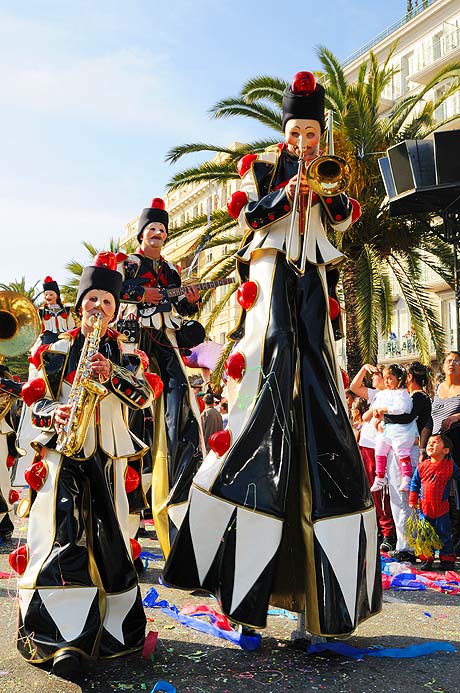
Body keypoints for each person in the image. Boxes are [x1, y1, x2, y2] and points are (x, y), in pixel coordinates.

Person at [164, 71, 381, 638]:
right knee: (266, 395)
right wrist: (288, 193)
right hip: (273, 292)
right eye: (297, 132)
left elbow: (343, 220)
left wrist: (324, 192)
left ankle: (322, 605)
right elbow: (250, 218)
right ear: (286, 131)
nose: (306, 142)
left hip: (312, 294)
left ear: (320, 133)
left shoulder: (330, 174)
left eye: (313, 133)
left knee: (319, 403)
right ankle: (241, 594)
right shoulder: (261, 169)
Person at [10, 253, 155, 678]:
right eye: (92, 299)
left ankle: (111, 632)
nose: (99, 308)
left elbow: (145, 396)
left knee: (109, 542)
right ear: (80, 305)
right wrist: (51, 411)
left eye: (107, 302)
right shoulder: (51, 350)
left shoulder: (126, 353)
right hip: (62, 453)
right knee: (62, 538)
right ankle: (62, 639)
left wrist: (112, 373)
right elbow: (32, 401)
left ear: (116, 309)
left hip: (106, 456)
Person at [117, 198, 204, 559]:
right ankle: (128, 520)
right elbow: (113, 291)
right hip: (136, 343)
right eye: (152, 229)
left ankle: (177, 472)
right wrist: (140, 293)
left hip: (166, 342)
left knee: (180, 401)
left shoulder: (170, 270)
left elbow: (180, 307)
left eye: (163, 231)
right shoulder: (129, 264)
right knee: (132, 414)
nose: (158, 234)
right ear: (141, 234)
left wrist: (192, 301)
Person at [383, 361, 432, 563]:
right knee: (398, 498)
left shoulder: (418, 397)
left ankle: (408, 547)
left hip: (408, 450)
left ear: (409, 377)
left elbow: (407, 418)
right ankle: (404, 544)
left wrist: (383, 415)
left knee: (405, 499)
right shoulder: (411, 397)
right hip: (399, 449)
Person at [350, 364, 397, 552]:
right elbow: (354, 387)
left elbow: (370, 416)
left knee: (381, 492)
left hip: (380, 448)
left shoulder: (392, 396)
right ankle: (377, 527)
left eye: (377, 375)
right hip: (365, 446)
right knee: (369, 491)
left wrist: (371, 414)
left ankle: (388, 532)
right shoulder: (376, 394)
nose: (373, 378)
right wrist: (363, 368)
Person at [425, 352, 460, 554]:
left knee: (456, 490)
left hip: (456, 445)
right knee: (440, 493)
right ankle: (444, 540)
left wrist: (456, 416)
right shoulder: (439, 389)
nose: (451, 364)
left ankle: (456, 540)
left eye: (456, 361)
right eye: (448, 361)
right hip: (437, 448)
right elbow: (430, 419)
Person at [409, 433, 460, 570]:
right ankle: (427, 558)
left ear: (446, 450)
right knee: (425, 535)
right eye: (429, 442)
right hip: (425, 508)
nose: (430, 444)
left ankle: (447, 558)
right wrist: (413, 499)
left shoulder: (450, 465)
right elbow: (415, 483)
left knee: (445, 534)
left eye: (435, 442)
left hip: (442, 508)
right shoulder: (422, 466)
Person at [369, 364, 418, 494]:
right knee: (379, 449)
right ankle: (380, 476)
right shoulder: (383, 393)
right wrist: (377, 415)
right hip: (386, 430)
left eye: (390, 378)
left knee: (402, 451)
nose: (386, 381)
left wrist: (384, 410)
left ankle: (407, 477)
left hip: (401, 430)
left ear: (400, 378)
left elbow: (402, 409)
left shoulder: (403, 394)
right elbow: (376, 408)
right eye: (385, 378)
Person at [38, 275, 76, 341]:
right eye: (46, 295)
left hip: (64, 337)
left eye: (51, 294)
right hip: (48, 338)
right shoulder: (41, 311)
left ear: (57, 296)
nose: (48, 297)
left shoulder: (66, 310)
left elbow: (71, 325)